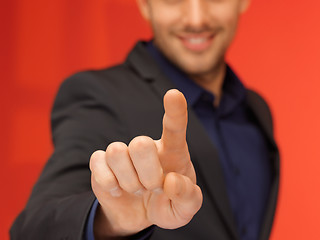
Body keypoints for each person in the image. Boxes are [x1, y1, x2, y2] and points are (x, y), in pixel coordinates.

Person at [11, 0, 280, 239]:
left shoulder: (256, 111)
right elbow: (33, 229)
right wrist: (112, 222)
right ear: (144, 4)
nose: (196, 18)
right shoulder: (98, 95)